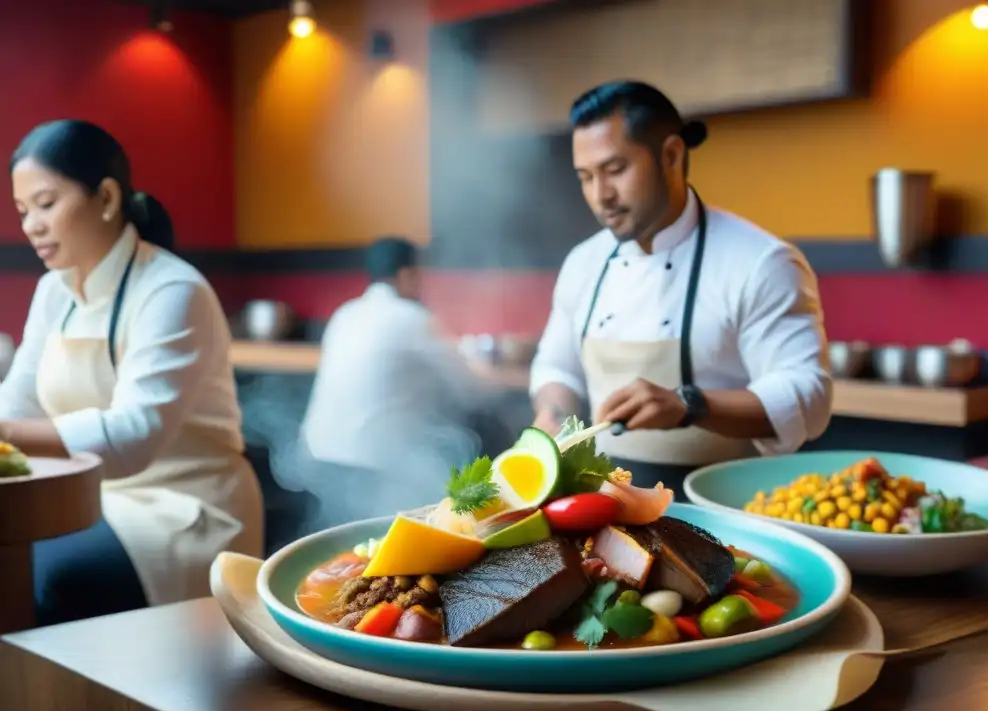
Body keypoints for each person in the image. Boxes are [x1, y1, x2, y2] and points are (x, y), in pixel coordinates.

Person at [0, 119, 263, 625]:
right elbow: (19, 400)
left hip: (186, 508)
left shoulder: (171, 290)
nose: (31, 225)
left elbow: (133, 437)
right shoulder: (53, 291)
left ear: (105, 197)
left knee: (45, 573)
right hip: (92, 497)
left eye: (47, 203)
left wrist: (6, 434)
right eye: (23, 211)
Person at [530, 81, 832, 492]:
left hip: (723, 504)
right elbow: (556, 367)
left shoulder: (761, 261)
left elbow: (807, 394)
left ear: (671, 154)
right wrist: (552, 414)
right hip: (605, 500)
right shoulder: (583, 263)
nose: (601, 196)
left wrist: (691, 404)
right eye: (586, 177)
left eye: (616, 170)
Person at [299, 237, 489, 517]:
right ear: (406, 274)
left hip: (316, 459)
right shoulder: (412, 317)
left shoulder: (345, 313)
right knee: (446, 491)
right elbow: (472, 390)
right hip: (374, 471)